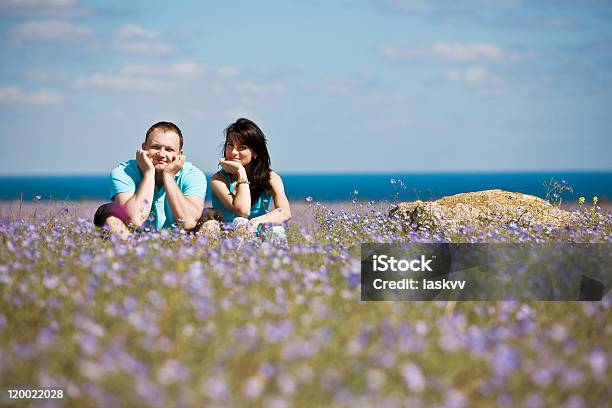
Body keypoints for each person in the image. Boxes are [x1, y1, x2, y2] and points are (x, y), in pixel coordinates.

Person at [93, 121, 207, 237]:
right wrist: (149, 173)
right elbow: (135, 220)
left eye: (169, 149)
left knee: (211, 221)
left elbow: (188, 222)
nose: (161, 154)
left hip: (181, 242)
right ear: (144, 148)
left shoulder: (194, 175)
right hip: (132, 240)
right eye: (155, 147)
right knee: (109, 214)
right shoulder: (123, 172)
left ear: (180, 154)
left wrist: (169, 176)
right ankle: (130, 252)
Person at [210, 118, 291, 243]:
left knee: (276, 230)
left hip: (260, 236)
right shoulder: (219, 180)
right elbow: (242, 211)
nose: (233, 152)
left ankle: (279, 261)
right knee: (240, 221)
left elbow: (285, 212)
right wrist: (240, 171)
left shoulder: (271, 178)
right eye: (230, 145)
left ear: (255, 153)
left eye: (242, 147)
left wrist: (257, 221)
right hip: (230, 241)